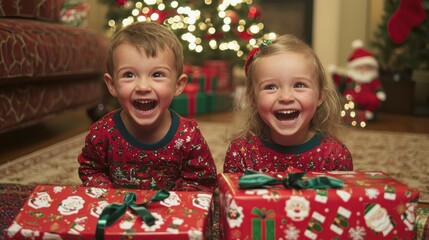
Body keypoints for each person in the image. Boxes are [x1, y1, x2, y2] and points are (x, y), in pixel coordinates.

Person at [78, 22, 218, 193]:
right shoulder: (102, 133)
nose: (143, 87)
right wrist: (109, 196)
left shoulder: (189, 137)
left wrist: (175, 203)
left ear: (178, 85)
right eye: (129, 75)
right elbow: (91, 170)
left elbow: (201, 181)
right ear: (112, 85)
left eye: (157, 74)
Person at [223, 35, 353, 173]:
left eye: (299, 85)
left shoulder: (336, 156)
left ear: (320, 95)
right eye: (271, 87)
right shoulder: (241, 153)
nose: (285, 97)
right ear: (253, 98)